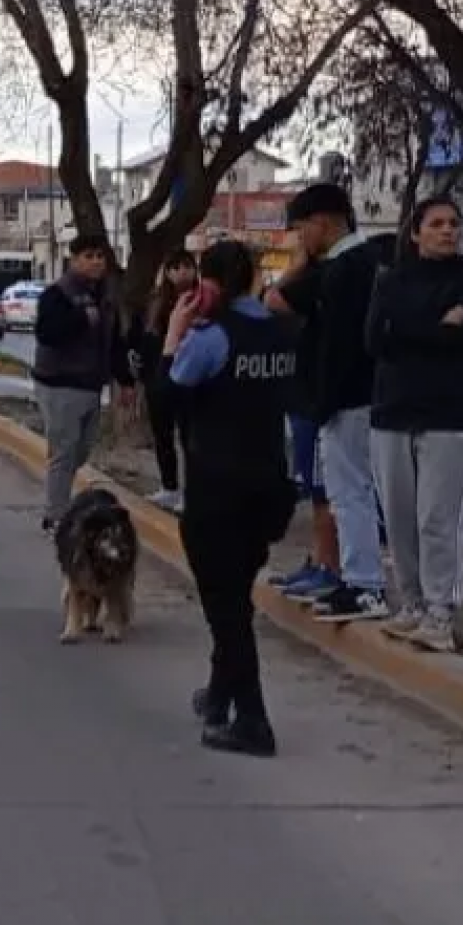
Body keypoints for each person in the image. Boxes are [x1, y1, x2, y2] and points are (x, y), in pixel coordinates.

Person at [166, 239, 301, 757]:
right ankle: (220, 695)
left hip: (217, 491)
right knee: (234, 596)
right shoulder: (281, 332)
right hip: (268, 486)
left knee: (226, 611)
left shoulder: (213, 337)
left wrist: (174, 336)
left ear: (210, 284)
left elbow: (171, 393)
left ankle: (254, 721)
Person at [364, 198, 463, 653]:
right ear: (416, 232)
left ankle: (441, 611)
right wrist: (436, 327)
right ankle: (412, 602)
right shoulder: (391, 280)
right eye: (436, 224)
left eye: (454, 223)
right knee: (399, 518)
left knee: (439, 518)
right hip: (393, 411)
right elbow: (376, 337)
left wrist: (412, 330)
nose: (448, 231)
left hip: (450, 415)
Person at [267, 182, 393, 623]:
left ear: (321, 223)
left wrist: (324, 401)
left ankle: (365, 585)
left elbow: (340, 346)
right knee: (344, 491)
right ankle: (355, 579)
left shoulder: (347, 269)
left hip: (348, 400)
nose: (300, 239)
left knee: (350, 491)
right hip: (353, 398)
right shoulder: (356, 264)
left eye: (302, 229)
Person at [32, 233, 136, 532]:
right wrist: (79, 319)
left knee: (82, 449)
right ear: (73, 258)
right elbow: (46, 333)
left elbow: (114, 343)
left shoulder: (104, 297)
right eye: (88, 256)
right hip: (59, 383)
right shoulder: (58, 294)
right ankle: (55, 516)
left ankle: (59, 501)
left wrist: (125, 381)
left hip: (91, 385)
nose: (96, 262)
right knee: (64, 450)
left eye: (100, 256)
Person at [266, 258, 343, 604]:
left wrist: (300, 263)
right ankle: (319, 560)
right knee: (315, 490)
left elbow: (271, 298)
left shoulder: (317, 302)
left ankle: (330, 567)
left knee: (325, 491)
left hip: (315, 405)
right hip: (301, 404)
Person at [131, 248, 199, 511]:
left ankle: (190, 492)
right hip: (157, 379)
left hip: (187, 379)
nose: (182, 272)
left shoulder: (199, 299)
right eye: (176, 267)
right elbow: (145, 339)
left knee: (189, 438)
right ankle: (169, 487)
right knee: (162, 435)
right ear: (167, 272)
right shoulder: (155, 302)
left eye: (187, 266)